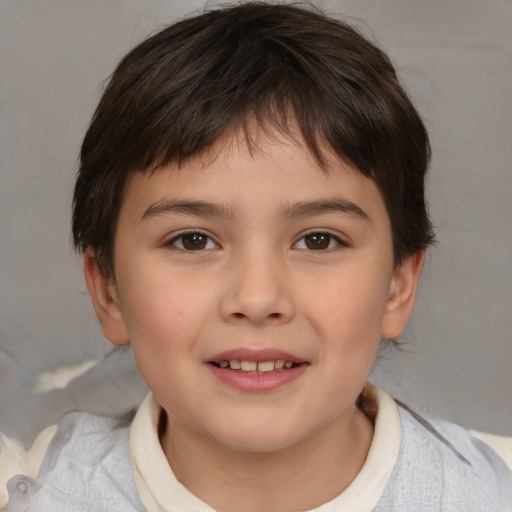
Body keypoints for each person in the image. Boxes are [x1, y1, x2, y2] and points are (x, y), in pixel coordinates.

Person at [2, 2, 511, 511]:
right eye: (193, 240)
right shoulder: (53, 494)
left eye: (318, 240)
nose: (258, 297)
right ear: (108, 289)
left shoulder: (485, 495)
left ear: (398, 285)